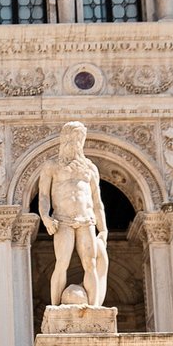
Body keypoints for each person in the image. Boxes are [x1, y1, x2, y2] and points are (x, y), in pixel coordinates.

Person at [38, 121, 109, 308]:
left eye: (80, 138)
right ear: (65, 139)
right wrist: (45, 217)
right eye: (73, 138)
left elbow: (97, 201)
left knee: (90, 264)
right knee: (62, 263)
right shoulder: (52, 166)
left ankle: (94, 308)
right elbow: (44, 195)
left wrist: (103, 229)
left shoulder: (90, 168)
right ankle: (54, 307)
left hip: (87, 220)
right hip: (63, 220)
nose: (77, 142)